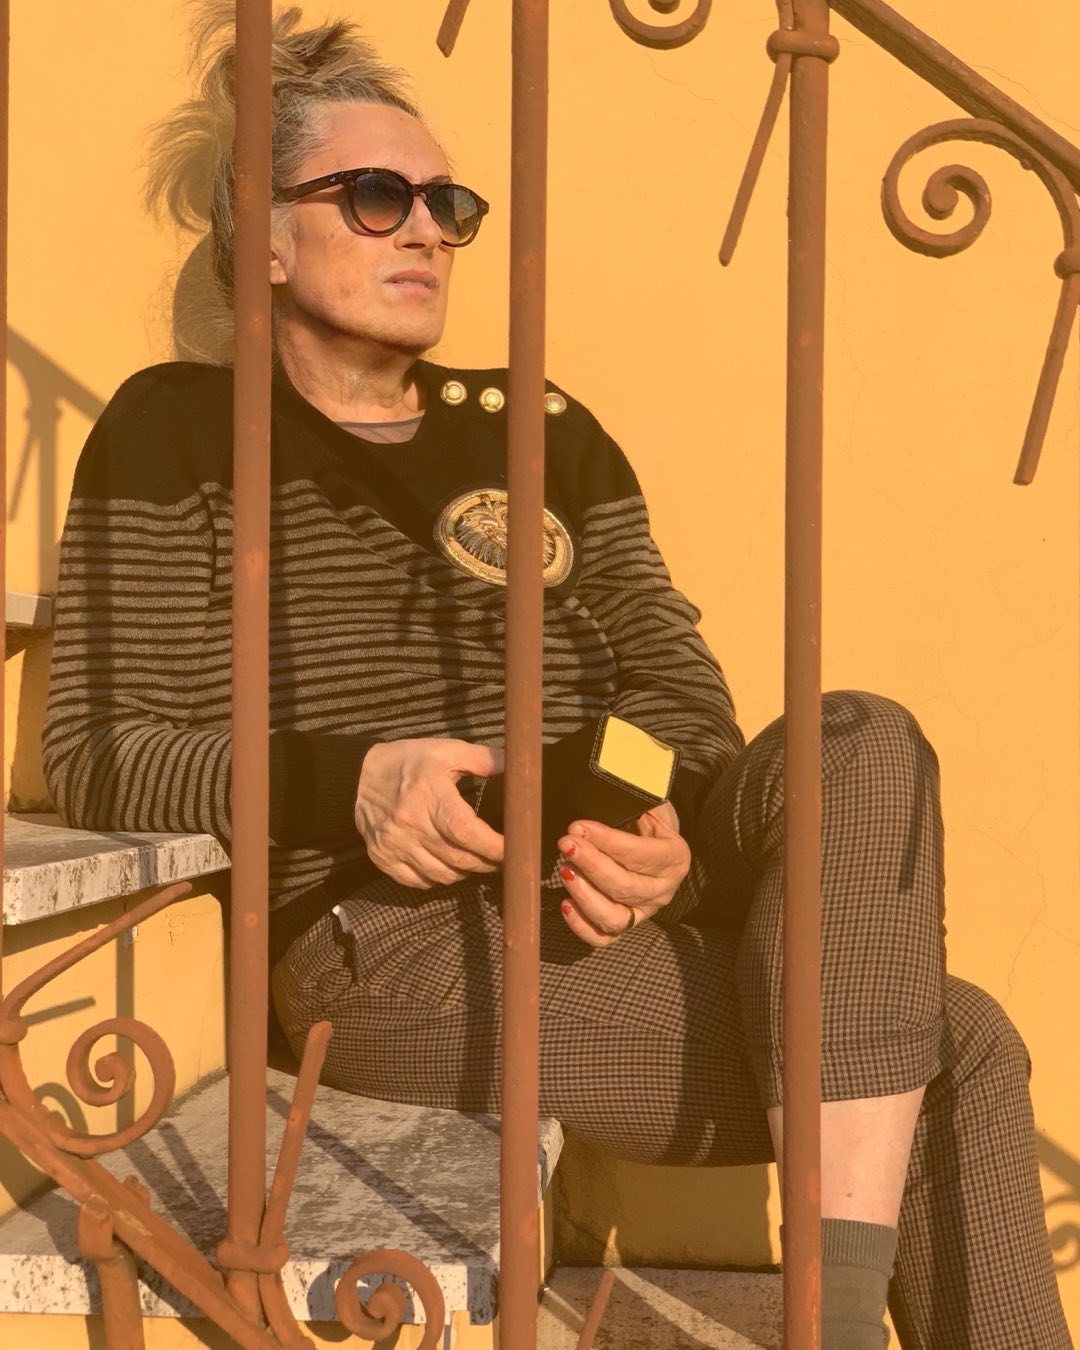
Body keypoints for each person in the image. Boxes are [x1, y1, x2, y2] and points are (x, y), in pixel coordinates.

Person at [42, 9, 1071, 1348]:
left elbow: (679, 694)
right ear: (267, 234)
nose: (427, 231)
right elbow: (102, 749)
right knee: (958, 1038)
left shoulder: (540, 427)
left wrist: (663, 827)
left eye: (450, 205)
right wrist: (354, 783)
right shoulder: (177, 427)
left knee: (863, 735)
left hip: (603, 893)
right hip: (398, 937)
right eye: (377, 196)